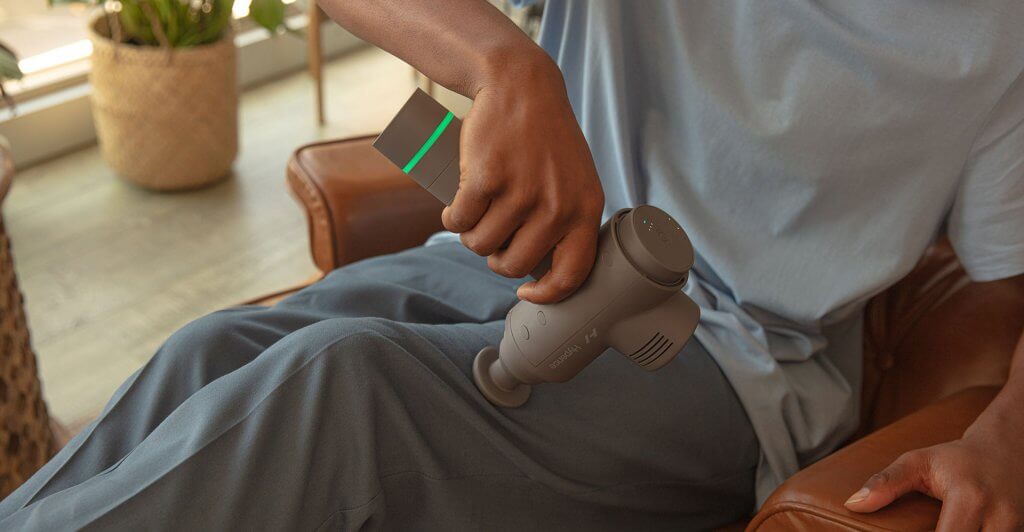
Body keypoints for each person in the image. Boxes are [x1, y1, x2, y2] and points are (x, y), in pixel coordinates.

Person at [2, 1, 1023, 530]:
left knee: (343, 390)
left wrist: (1006, 433)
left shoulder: (998, 37)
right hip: (525, 256)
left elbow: (1009, 277)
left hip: (732, 360)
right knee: (214, 349)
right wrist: (504, 64)